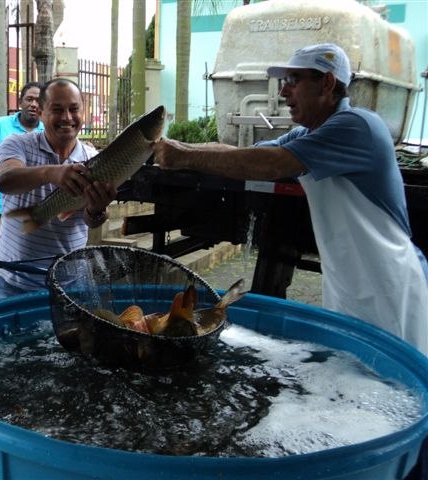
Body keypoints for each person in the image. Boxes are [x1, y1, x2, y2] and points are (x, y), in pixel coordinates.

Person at [154, 43, 428, 478]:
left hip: (391, 288)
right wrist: (173, 145)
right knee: (359, 396)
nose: (284, 91)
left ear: (329, 84)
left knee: (402, 404)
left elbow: (273, 163)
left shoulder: (356, 125)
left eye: (294, 80)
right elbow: (236, 152)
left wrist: (184, 157)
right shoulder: (310, 136)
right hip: (350, 287)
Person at [0, 77, 116, 300]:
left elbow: (91, 221)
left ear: (83, 113)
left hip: (70, 283)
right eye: (57, 110)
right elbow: (5, 179)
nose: (67, 117)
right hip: (12, 281)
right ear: (41, 113)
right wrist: (52, 173)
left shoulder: (93, 159)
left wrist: (97, 209)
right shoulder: (17, 143)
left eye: (74, 109)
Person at [0, 82, 44, 259]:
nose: (33, 104)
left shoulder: (48, 131)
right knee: (0, 270)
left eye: (38, 100)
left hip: (36, 214)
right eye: (29, 99)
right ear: (20, 102)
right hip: (0, 213)